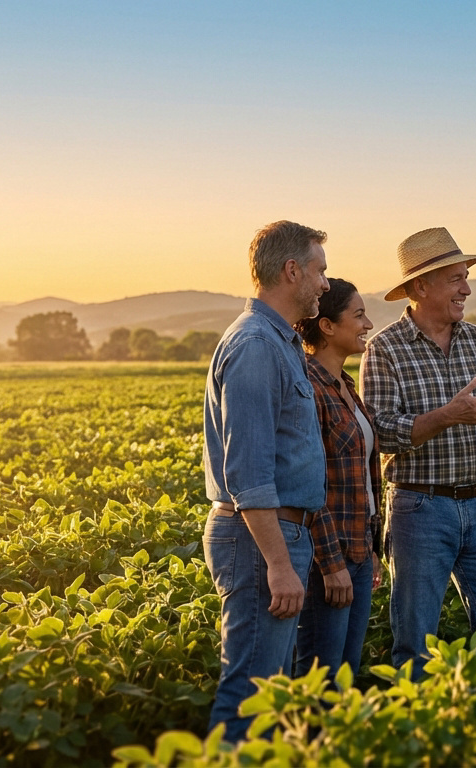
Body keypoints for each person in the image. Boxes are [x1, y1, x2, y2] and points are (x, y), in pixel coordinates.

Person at [360, 226, 476, 679]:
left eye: (464, 276)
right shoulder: (385, 349)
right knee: (416, 642)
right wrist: (448, 416)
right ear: (420, 287)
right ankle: (421, 735)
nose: (466, 288)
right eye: (455, 278)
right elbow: (379, 432)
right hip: (420, 508)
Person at [202, 220, 329, 741]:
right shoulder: (257, 345)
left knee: (269, 692)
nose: (325, 282)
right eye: (320, 270)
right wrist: (279, 564)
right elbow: (249, 475)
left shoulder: (279, 341)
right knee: (250, 694)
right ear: (291, 270)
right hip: (260, 540)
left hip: (275, 535)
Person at [293, 278, 384, 684]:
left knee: (345, 673)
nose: (367, 324)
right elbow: (311, 486)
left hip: (359, 549)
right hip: (326, 559)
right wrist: (331, 566)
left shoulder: (346, 385)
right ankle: (308, 747)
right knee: (321, 676)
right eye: (359, 315)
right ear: (327, 326)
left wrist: (373, 549)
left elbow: (362, 476)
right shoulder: (309, 389)